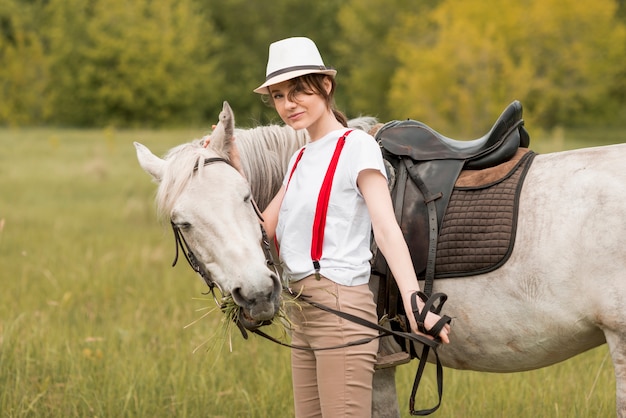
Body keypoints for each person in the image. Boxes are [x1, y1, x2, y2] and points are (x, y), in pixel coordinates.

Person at [229, 36, 450, 418]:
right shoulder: (299, 158)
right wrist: (230, 163)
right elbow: (263, 228)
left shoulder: (357, 147)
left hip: (340, 308)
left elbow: (385, 227)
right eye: (279, 96)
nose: (288, 104)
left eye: (298, 90)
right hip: (300, 311)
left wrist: (416, 304)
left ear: (325, 86)